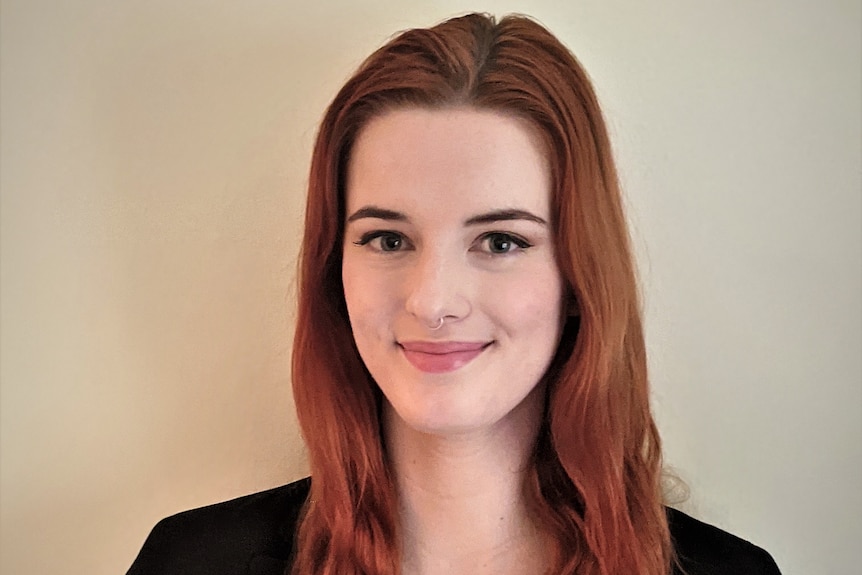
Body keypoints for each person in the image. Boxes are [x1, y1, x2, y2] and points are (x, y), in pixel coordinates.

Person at [127, 12, 782, 575]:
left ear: (580, 274)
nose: (432, 301)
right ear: (336, 269)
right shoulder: (189, 561)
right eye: (388, 239)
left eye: (499, 241)